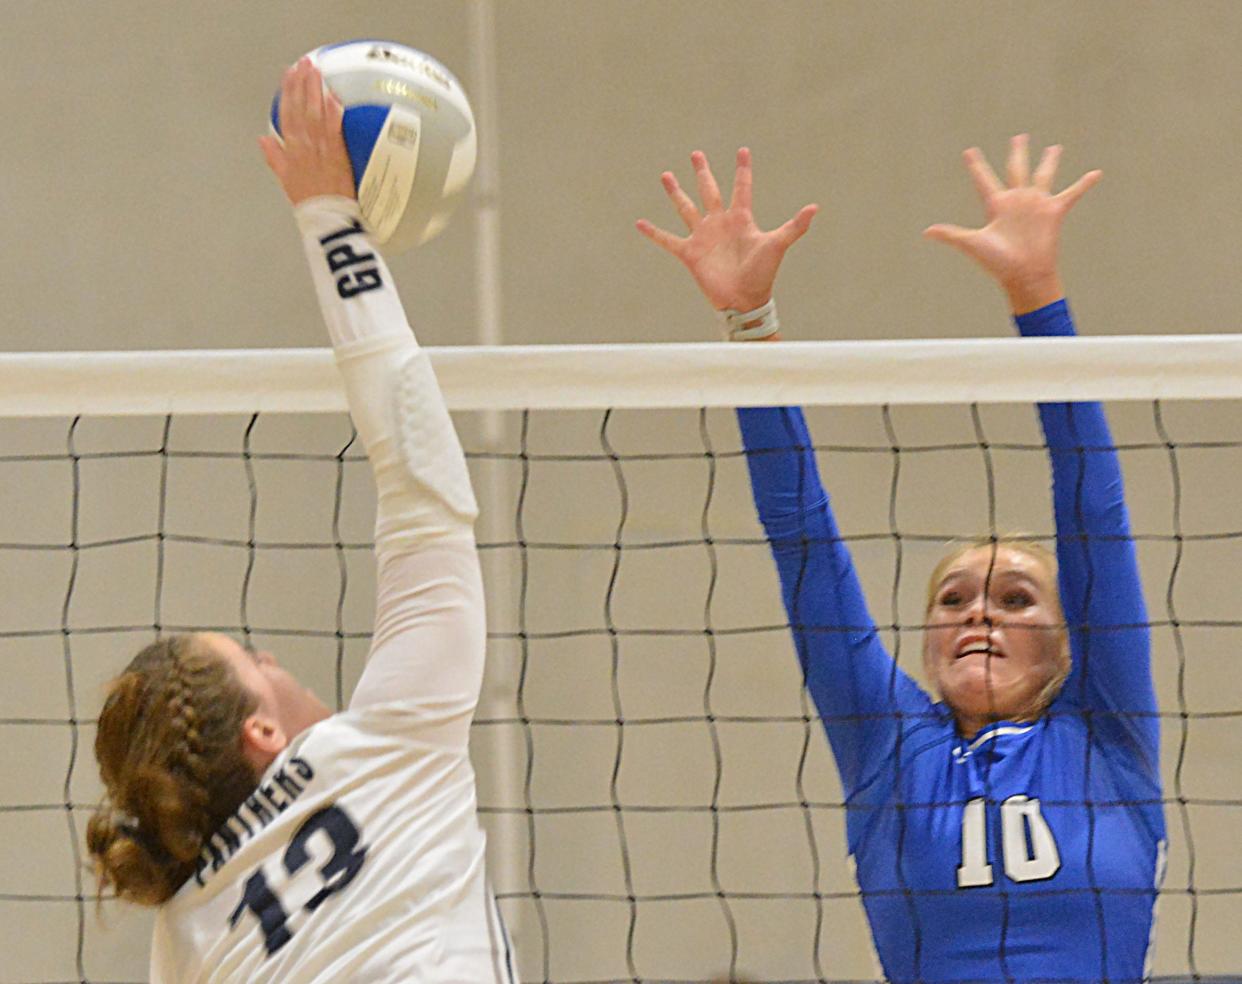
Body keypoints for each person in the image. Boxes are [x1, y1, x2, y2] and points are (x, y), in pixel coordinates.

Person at [638, 137, 1166, 982]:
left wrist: (1040, 300)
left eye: (1018, 600)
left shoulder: (1106, 733)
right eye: (953, 600)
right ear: (925, 641)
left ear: (1072, 645)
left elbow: (1092, 508)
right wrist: (749, 321)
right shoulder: (893, 746)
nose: (979, 613)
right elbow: (801, 538)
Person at [86, 58, 515, 983]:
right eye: (257, 660)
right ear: (263, 735)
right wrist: (329, 217)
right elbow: (417, 462)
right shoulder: (390, 746)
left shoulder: (186, 943)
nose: (277, 659)